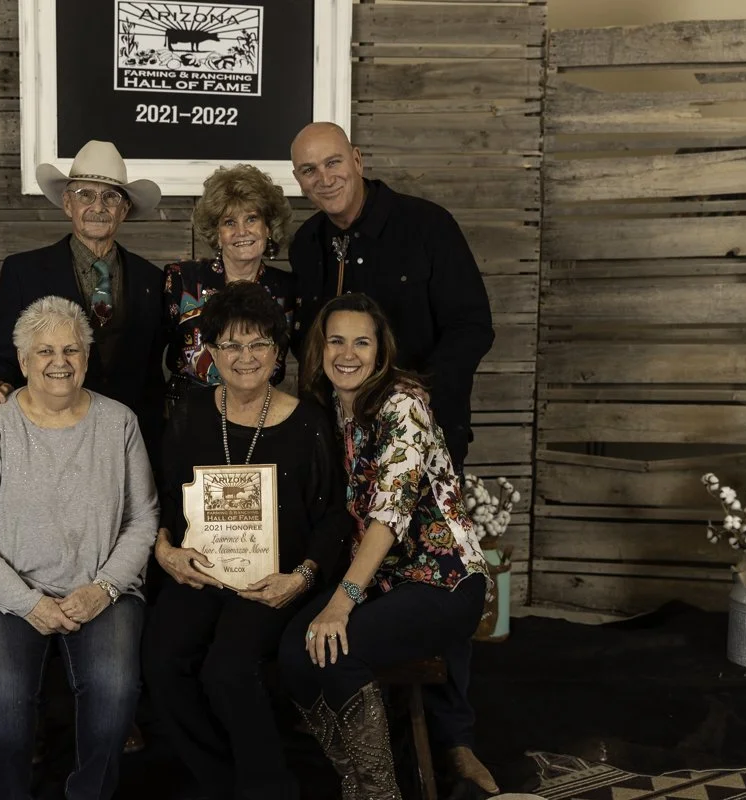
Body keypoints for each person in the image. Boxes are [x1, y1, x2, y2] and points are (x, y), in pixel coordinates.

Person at [289, 121, 497, 795]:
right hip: (347, 433)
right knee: (358, 587)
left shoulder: (425, 225)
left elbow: (472, 325)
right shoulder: (307, 243)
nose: (324, 178)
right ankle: (364, 736)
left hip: (418, 430)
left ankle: (453, 738)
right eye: (309, 170)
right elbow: (317, 341)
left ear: (357, 159)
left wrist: (413, 395)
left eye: (333, 163)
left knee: (429, 560)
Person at [0, 296, 159, 800]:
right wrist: (28, 602)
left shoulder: (119, 422)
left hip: (100, 587)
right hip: (3, 593)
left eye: (71, 350)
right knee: (3, 696)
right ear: (22, 362)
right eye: (45, 351)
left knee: (115, 688)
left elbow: (142, 518)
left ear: (87, 357)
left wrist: (104, 588)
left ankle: (89, 793)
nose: (60, 361)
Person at [144, 281, 351, 800]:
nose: (246, 357)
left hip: (273, 580)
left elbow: (333, 518)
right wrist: (164, 549)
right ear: (212, 353)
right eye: (231, 344)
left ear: (277, 353)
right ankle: (220, 781)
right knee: (161, 662)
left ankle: (269, 787)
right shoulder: (189, 412)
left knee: (227, 670)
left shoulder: (308, 422)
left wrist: (301, 577)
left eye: (259, 343)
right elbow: (167, 495)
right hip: (201, 572)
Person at [0, 139, 166, 457]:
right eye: (85, 194)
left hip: (131, 441)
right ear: (67, 204)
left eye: (111, 197)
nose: (98, 207)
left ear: (124, 210)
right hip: (45, 439)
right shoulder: (24, 272)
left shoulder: (152, 280)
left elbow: (155, 372)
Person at [162, 164, 297, 411]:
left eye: (252, 219)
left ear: (268, 227)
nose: (242, 231)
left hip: (261, 414)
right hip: (188, 414)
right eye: (229, 222)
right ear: (217, 233)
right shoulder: (182, 279)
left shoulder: (288, 288)